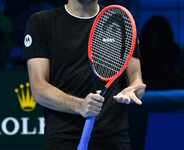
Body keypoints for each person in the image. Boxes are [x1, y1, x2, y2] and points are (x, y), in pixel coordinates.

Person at [23, 0, 146, 149]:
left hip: (113, 138)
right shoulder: (42, 22)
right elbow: (38, 89)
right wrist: (79, 105)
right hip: (64, 137)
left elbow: (136, 80)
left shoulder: (120, 20)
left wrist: (134, 90)